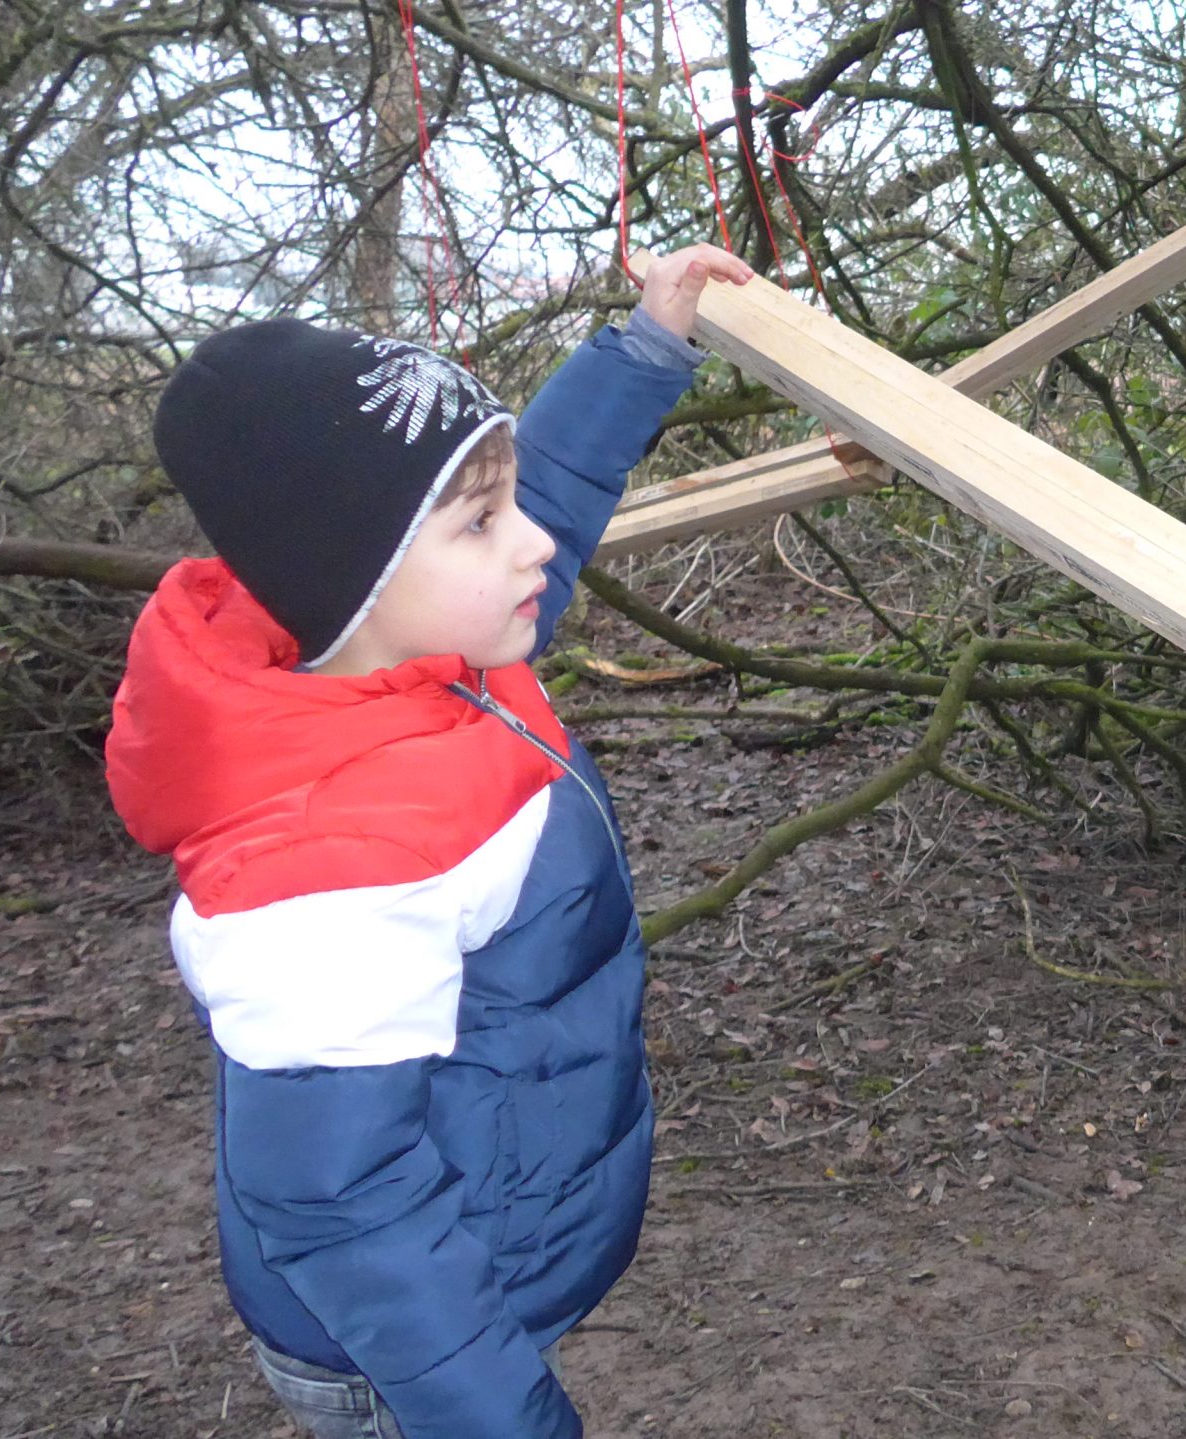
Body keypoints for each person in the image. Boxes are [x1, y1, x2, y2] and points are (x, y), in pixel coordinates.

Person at [104, 244, 753, 1438]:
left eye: (507, 504)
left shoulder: (422, 654)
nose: (531, 543)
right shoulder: (326, 871)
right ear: (354, 575)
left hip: (488, 1258)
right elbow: (345, 1207)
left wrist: (646, 346)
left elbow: (548, 507)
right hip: (408, 1357)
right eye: (480, 522)